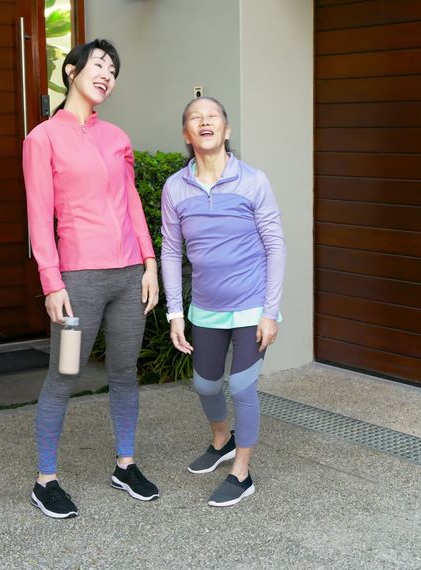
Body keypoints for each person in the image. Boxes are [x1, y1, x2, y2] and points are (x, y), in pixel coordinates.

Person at [22, 39, 160, 519]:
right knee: (64, 375)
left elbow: (132, 203)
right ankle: (46, 479)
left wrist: (149, 262)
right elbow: (39, 216)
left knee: (124, 372)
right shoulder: (42, 138)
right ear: (71, 70)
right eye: (99, 64)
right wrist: (51, 281)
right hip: (78, 281)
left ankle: (125, 464)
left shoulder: (117, 137)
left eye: (113, 70)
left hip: (127, 278)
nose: (106, 74)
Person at [161, 96, 286, 507]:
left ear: (226, 129)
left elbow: (275, 246)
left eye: (212, 115)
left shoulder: (253, 181)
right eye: (195, 117)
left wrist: (270, 312)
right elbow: (170, 251)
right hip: (206, 308)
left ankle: (241, 473)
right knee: (205, 384)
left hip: (251, 305)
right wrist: (175, 313)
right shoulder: (176, 187)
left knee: (242, 386)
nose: (205, 121)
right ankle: (222, 440)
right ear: (187, 134)